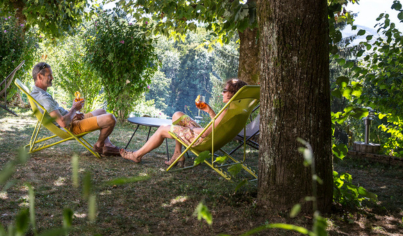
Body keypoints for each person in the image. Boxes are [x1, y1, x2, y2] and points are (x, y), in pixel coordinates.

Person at [120, 78, 248, 166]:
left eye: (225, 90)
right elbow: (217, 127)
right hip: (210, 137)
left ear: (233, 93)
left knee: (163, 129)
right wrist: (209, 111)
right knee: (177, 115)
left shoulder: (227, 111)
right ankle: (177, 154)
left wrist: (191, 130)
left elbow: (205, 134)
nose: (222, 92)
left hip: (201, 140)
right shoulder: (237, 110)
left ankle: (136, 155)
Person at [30, 62, 121, 156]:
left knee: (102, 111)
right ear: (40, 76)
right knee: (110, 119)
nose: (52, 78)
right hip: (70, 128)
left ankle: (108, 145)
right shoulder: (43, 98)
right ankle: (99, 145)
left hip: (71, 120)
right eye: (49, 75)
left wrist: (74, 114)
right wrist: (74, 108)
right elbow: (63, 123)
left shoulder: (37, 93)